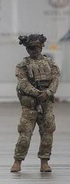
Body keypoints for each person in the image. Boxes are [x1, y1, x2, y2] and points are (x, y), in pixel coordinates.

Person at [10, 34, 59, 173]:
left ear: (41, 47)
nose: (33, 50)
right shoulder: (22, 65)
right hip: (30, 106)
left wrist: (48, 93)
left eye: (36, 47)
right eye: (30, 48)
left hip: (46, 105)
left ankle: (44, 162)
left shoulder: (50, 63)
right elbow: (23, 83)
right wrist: (38, 94)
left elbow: (55, 80)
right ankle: (17, 161)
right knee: (24, 134)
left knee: (47, 133)